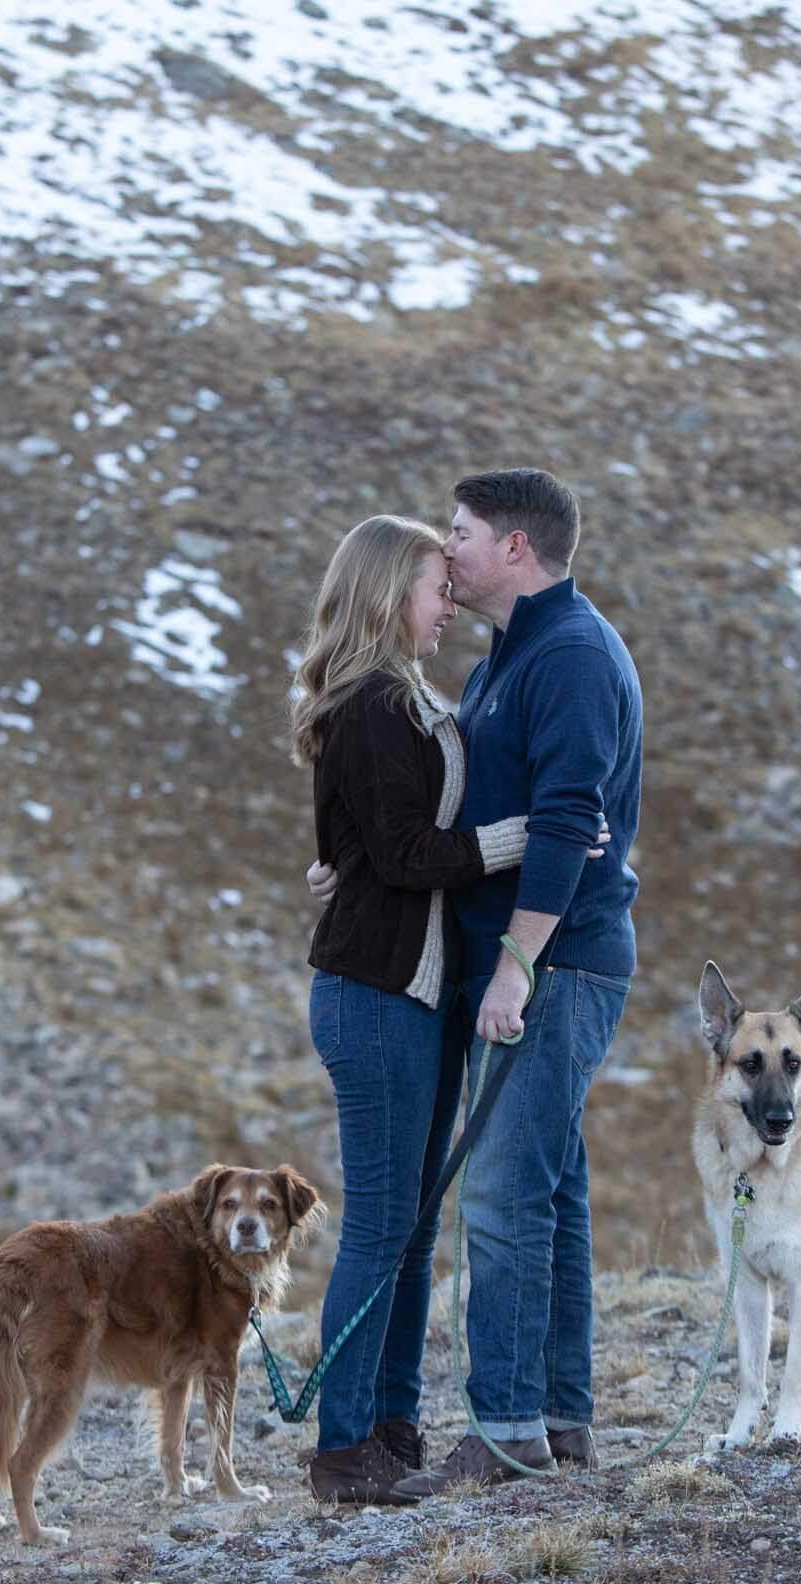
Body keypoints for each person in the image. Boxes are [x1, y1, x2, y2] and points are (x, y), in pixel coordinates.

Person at [289, 513, 607, 1506]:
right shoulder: (376, 703)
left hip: (406, 992)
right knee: (385, 1222)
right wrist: (527, 838)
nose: (448, 603)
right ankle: (344, 1450)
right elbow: (400, 852)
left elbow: (362, 843)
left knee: (410, 1224)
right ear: (391, 595)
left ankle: (389, 1430)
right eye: (435, 586)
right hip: (374, 994)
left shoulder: (403, 698)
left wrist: (342, 858)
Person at [386, 467, 644, 1498]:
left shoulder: (572, 655)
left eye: (459, 533)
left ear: (515, 549)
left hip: (558, 960)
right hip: (543, 960)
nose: (446, 550)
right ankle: (558, 1420)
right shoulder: (515, 652)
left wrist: (515, 964)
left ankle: (500, 1434)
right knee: (551, 1193)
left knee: (498, 1195)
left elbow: (572, 824)